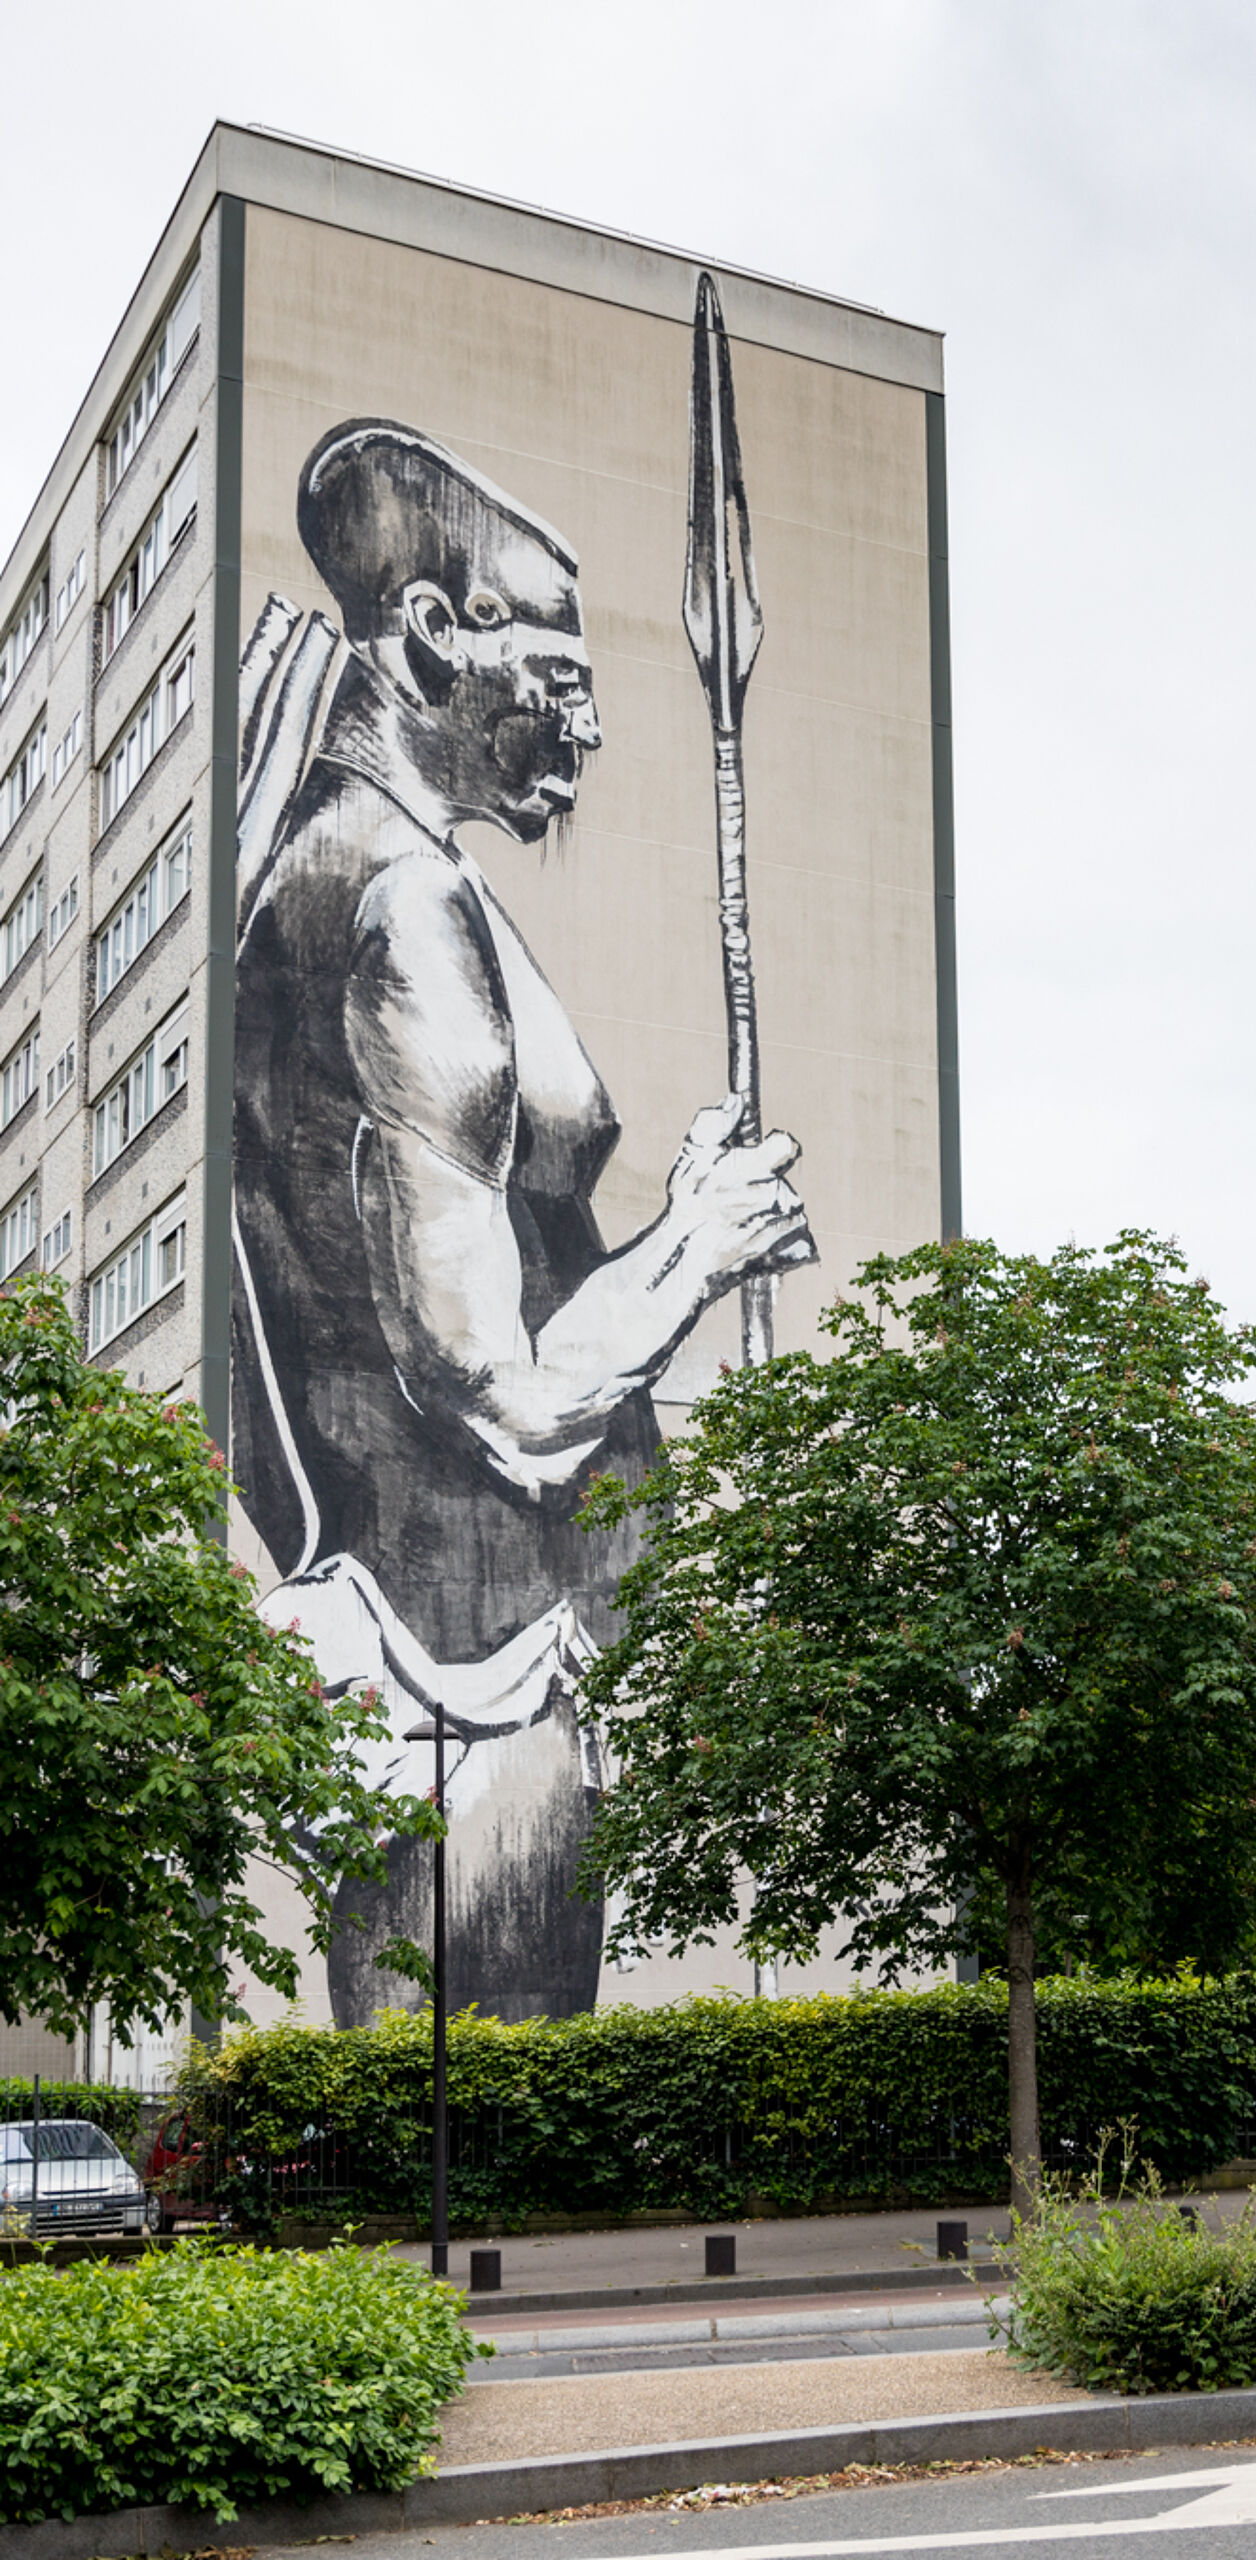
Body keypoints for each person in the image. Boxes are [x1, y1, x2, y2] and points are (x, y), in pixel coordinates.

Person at [232, 419, 814, 2023]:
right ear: (431, 637)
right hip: (472, 1689)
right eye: (559, 676)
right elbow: (506, 1400)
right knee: (480, 2160)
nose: (599, 723)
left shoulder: (356, 875)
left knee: (473, 2180)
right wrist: (704, 1238)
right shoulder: (396, 906)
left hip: (490, 1667)